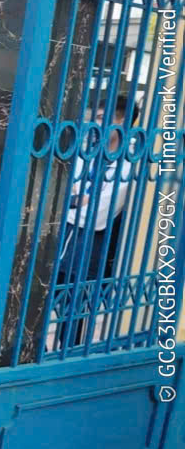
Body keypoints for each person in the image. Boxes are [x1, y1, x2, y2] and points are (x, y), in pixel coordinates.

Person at [56, 95, 136, 347]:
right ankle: (34, 348)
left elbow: (99, 215)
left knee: (74, 307)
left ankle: (66, 352)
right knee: (39, 297)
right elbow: (62, 193)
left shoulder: (128, 164)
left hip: (89, 244)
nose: (96, 125)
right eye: (96, 118)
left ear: (122, 123)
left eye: (102, 119)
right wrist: (78, 200)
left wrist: (77, 200)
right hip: (61, 233)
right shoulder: (84, 150)